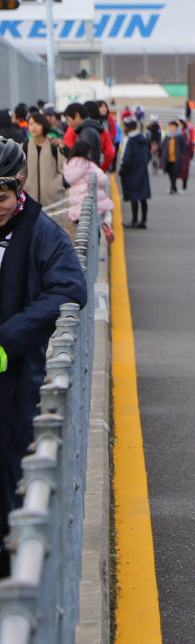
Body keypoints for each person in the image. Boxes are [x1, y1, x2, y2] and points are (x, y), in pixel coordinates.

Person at [0, 139, 88, 567]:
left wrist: (8, 340)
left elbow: (71, 288)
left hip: (17, 380)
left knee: (12, 472)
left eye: (0, 195)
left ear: (19, 186)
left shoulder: (41, 233)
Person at [21, 112, 65, 209]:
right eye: (31, 124)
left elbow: (63, 169)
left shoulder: (54, 145)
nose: (34, 127)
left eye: (37, 124)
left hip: (53, 199)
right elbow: (22, 171)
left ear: (44, 125)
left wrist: (56, 185)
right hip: (30, 197)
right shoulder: (25, 146)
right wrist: (24, 186)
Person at [117, 118, 152, 229]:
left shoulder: (129, 139)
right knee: (143, 197)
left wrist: (122, 170)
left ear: (127, 127)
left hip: (132, 172)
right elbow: (149, 155)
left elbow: (126, 158)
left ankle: (134, 220)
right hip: (142, 171)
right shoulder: (142, 138)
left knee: (134, 197)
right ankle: (143, 221)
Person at [160, 121, 187, 195]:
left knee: (174, 172)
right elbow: (164, 145)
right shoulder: (167, 135)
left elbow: (184, 146)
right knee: (169, 172)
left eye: (173, 126)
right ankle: (174, 186)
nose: (172, 128)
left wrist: (182, 155)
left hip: (176, 158)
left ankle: (172, 187)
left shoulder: (180, 135)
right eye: (170, 126)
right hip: (168, 157)